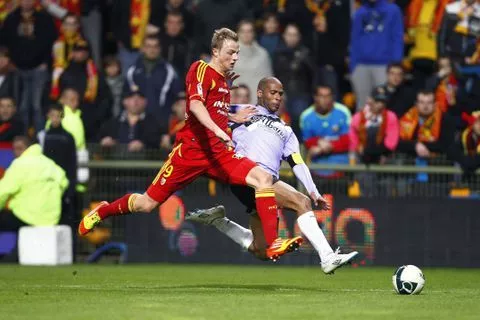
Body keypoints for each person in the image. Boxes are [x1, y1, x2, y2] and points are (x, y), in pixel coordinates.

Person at [78, 28, 302, 261]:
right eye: (230, 52)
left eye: (237, 53)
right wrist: (217, 129)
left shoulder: (224, 83)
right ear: (215, 51)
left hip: (219, 154)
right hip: (190, 152)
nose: (235, 58)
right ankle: (104, 210)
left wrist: (231, 118)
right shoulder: (200, 69)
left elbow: (216, 111)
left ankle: (274, 241)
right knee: (146, 204)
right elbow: (195, 106)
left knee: (262, 178)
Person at [187, 77, 358, 273]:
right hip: (247, 174)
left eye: (280, 94)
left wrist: (313, 191)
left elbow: (297, 161)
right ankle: (328, 257)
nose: (277, 98)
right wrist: (221, 88)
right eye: (272, 93)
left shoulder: (286, 130)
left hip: (263, 187)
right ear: (260, 93)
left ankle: (218, 220)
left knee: (262, 250)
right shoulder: (243, 110)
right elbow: (204, 111)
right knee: (301, 202)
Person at [0, 136, 68, 231]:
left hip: (26, 216)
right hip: (51, 218)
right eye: (14, 149)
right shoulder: (49, 163)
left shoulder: (19, 164)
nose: (16, 152)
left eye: (20, 148)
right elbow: (64, 182)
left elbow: (3, 191)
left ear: (28, 148)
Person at [350, 0, 404, 111]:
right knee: (362, 107)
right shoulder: (360, 12)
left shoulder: (393, 10)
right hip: (361, 66)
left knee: (384, 106)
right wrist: (353, 66)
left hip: (384, 65)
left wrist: (395, 64)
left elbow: (397, 37)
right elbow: (354, 40)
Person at [125, 35, 182, 133]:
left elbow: (178, 98)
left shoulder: (169, 71)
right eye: (148, 46)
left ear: (159, 49)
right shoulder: (132, 71)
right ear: (143, 48)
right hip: (137, 123)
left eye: (155, 46)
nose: (152, 50)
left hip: (162, 123)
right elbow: (125, 98)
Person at [300, 85, 350, 177]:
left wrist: (327, 147)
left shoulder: (343, 112)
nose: (325, 99)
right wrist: (318, 141)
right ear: (315, 97)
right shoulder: (306, 116)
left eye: (328, 96)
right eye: (321, 96)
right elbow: (307, 141)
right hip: (316, 171)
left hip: (341, 170)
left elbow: (348, 141)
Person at [98, 89, 163, 152]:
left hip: (144, 161)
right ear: (124, 101)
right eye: (131, 98)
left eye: (139, 98)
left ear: (145, 101)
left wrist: (143, 145)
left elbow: (158, 143)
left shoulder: (154, 123)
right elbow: (98, 140)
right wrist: (106, 142)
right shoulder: (112, 123)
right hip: (117, 160)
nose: (135, 101)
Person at [350, 86, 399, 165]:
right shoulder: (358, 117)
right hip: (362, 155)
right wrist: (359, 149)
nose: (380, 105)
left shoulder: (390, 116)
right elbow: (353, 139)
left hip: (384, 155)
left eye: (382, 102)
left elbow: (392, 140)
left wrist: (384, 154)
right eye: (377, 101)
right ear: (369, 100)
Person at [233, 20, 273, 104]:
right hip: (235, 104)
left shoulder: (263, 54)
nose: (246, 34)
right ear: (237, 33)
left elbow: (269, 81)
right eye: (243, 31)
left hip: (258, 105)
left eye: (249, 31)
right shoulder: (229, 54)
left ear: (254, 33)